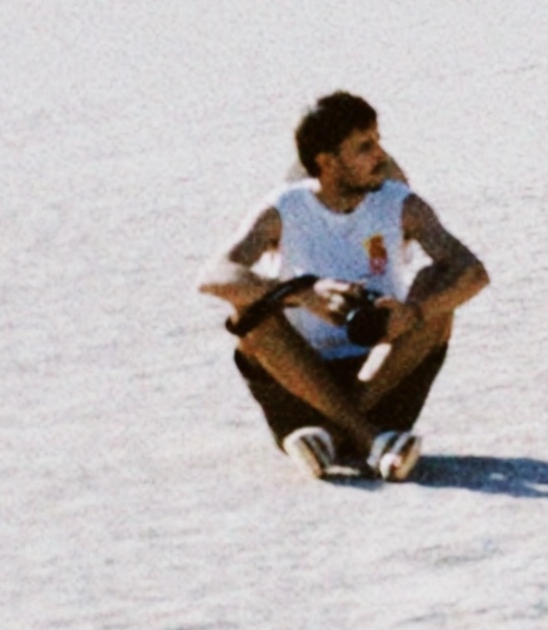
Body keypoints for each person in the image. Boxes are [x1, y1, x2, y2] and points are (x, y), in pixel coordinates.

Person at [204, 91, 489, 481]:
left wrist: (412, 313)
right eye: (365, 147)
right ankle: (370, 438)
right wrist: (301, 291)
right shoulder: (286, 208)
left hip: (382, 372)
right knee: (251, 317)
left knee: (439, 290)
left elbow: (472, 272)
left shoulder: (399, 203)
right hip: (299, 375)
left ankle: (330, 437)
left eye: (378, 141)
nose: (381, 156)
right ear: (327, 161)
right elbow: (215, 276)